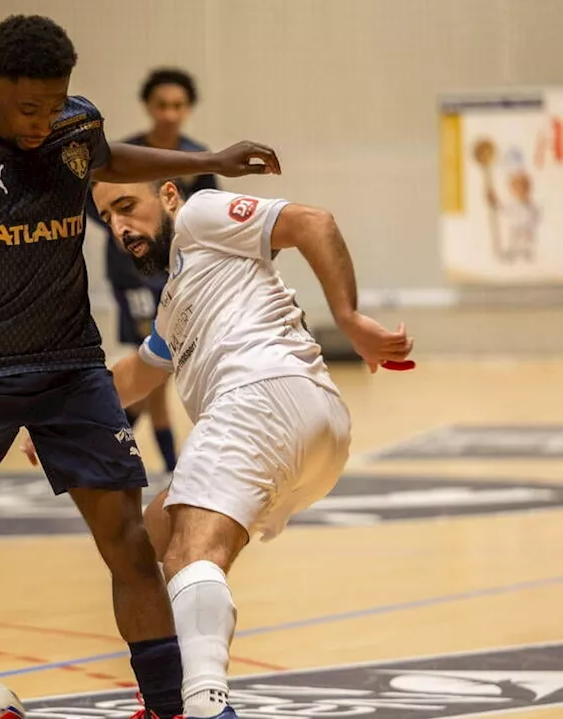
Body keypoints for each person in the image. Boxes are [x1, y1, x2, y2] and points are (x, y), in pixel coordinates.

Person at [0, 14, 280, 719]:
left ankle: (169, 709)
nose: (45, 121)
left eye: (54, 104)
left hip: (71, 369)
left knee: (129, 543)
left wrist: (213, 161)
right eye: (28, 107)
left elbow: (111, 157)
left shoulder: (76, 125)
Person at [28, 179, 413, 719]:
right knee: (147, 538)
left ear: (167, 196)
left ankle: (205, 706)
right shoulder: (177, 298)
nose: (119, 228)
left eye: (126, 208)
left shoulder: (200, 215)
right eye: (107, 219)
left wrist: (348, 321)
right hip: (314, 431)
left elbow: (313, 222)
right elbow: (136, 376)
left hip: (259, 396)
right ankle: (167, 699)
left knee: (193, 553)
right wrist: (54, 414)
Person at [90, 68, 218, 474]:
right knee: (156, 361)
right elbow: (92, 203)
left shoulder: (197, 158)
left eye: (178, 106)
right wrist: (120, 227)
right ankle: (162, 462)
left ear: (188, 110)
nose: (169, 113)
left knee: (162, 364)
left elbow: (207, 216)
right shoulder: (124, 156)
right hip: (132, 273)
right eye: (162, 105)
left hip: (178, 273)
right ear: (148, 107)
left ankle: (106, 446)